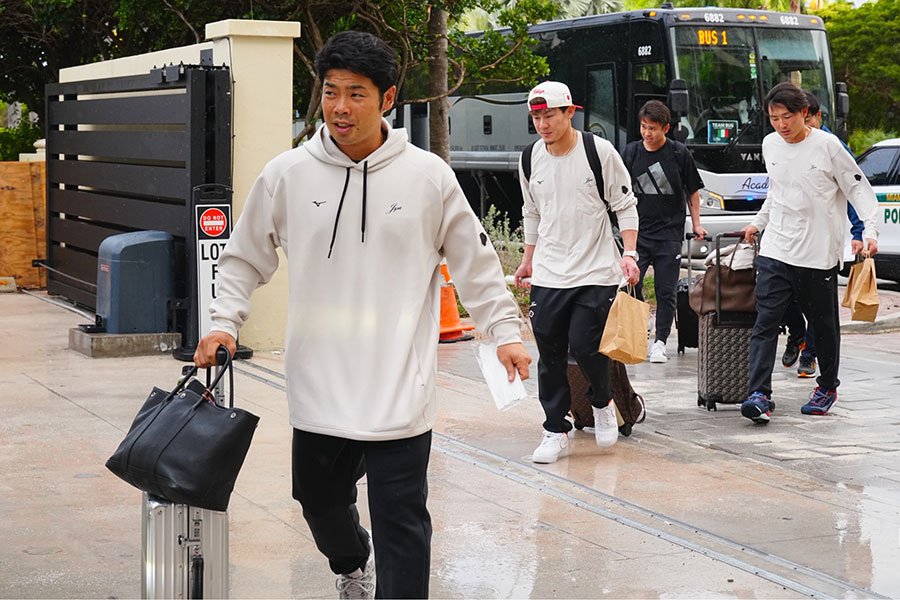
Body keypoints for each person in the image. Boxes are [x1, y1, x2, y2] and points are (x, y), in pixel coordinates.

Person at [193, 31, 531, 600]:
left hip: (399, 384)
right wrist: (224, 322)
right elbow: (244, 258)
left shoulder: (428, 177)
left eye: (356, 93)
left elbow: (476, 264)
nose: (341, 107)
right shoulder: (287, 174)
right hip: (318, 381)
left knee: (402, 520)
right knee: (318, 500)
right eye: (331, 93)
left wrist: (504, 332)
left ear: (388, 98)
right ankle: (352, 560)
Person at [514, 80, 640, 464]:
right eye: (536, 116)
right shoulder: (529, 158)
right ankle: (554, 429)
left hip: (596, 269)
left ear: (571, 112)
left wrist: (630, 253)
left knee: (586, 346)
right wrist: (527, 259)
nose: (542, 123)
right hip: (550, 271)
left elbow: (625, 204)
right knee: (549, 353)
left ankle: (602, 402)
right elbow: (532, 212)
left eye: (549, 114)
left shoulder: (597, 152)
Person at [740, 81, 879, 423]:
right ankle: (758, 394)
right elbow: (778, 190)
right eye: (774, 119)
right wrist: (758, 222)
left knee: (824, 325)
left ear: (804, 113)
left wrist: (869, 230)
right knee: (765, 320)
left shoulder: (828, 147)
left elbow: (859, 190)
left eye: (787, 117)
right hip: (777, 248)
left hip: (818, 253)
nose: (781, 125)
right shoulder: (770, 144)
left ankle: (827, 386)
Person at [622, 100, 707, 364]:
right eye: (644, 127)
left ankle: (660, 342)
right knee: (628, 287)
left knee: (666, 290)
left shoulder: (679, 154)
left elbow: (692, 191)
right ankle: (637, 335)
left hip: (669, 234)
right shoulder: (631, 152)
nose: (647, 133)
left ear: (666, 128)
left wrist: (697, 223)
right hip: (638, 233)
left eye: (653, 128)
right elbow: (619, 191)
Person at [794, 91, 866, 378]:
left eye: (806, 118)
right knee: (785, 297)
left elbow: (854, 192)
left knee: (819, 306)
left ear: (816, 116)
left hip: (823, 242)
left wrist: (859, 231)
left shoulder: (833, 147)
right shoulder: (787, 145)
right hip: (794, 240)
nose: (802, 125)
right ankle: (797, 337)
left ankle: (809, 356)